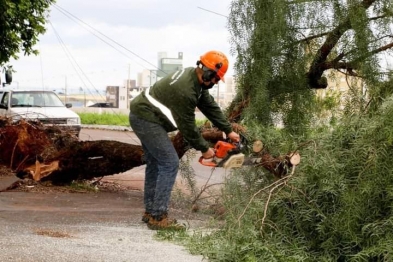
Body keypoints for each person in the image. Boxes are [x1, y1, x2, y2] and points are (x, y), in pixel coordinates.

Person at [129, 50, 240, 230]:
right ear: (208, 72)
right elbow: (187, 126)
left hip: (145, 116)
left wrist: (228, 130)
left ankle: (151, 213)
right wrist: (205, 149)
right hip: (146, 119)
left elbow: (209, 105)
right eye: (216, 79)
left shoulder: (195, 80)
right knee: (169, 162)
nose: (215, 82)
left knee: (156, 163)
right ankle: (158, 216)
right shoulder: (186, 90)